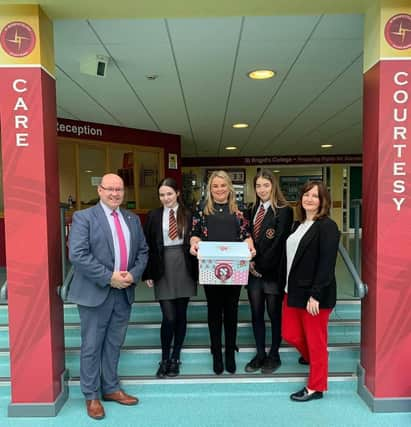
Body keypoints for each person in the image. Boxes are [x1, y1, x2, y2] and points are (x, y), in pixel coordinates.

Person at [68, 173, 148, 420]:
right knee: (92, 346)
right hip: (96, 292)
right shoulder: (84, 218)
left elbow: (143, 251)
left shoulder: (132, 219)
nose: (115, 194)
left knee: (114, 343)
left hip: (123, 292)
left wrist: (132, 275)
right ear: (100, 190)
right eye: (110, 189)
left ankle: (111, 388)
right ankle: (91, 395)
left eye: (120, 190)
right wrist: (108, 277)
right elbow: (78, 255)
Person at [190, 170, 255, 375]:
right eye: (215, 186)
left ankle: (229, 353)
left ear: (229, 187)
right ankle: (217, 353)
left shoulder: (240, 210)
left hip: (234, 269)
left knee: (232, 311)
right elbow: (195, 234)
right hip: (211, 268)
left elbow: (246, 235)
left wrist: (251, 248)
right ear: (210, 189)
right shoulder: (201, 210)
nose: (219, 189)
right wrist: (194, 245)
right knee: (214, 312)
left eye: (223, 185)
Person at [281, 181, 340, 402]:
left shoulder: (327, 226)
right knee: (290, 334)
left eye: (315, 196)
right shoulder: (299, 225)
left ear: (323, 201)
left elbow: (326, 263)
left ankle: (316, 387)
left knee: (316, 342)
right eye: (306, 194)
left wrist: (315, 294)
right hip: (293, 291)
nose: (309, 199)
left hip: (314, 296)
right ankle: (315, 359)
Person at [143, 178, 197, 378]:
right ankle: (164, 358)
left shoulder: (189, 214)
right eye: (162, 195)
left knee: (181, 314)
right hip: (162, 265)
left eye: (169, 194)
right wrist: (148, 272)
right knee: (169, 316)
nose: (165, 198)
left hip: (184, 265)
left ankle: (175, 357)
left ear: (178, 193)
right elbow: (146, 244)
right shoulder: (154, 215)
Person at [245, 169, 293, 374]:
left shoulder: (284, 210)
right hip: (252, 271)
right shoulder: (251, 209)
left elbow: (279, 242)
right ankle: (260, 354)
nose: (262, 189)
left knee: (274, 314)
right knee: (256, 314)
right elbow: (245, 237)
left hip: (272, 272)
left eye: (266, 185)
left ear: (273, 186)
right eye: (258, 186)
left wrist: (259, 265)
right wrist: (249, 263)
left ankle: (274, 354)